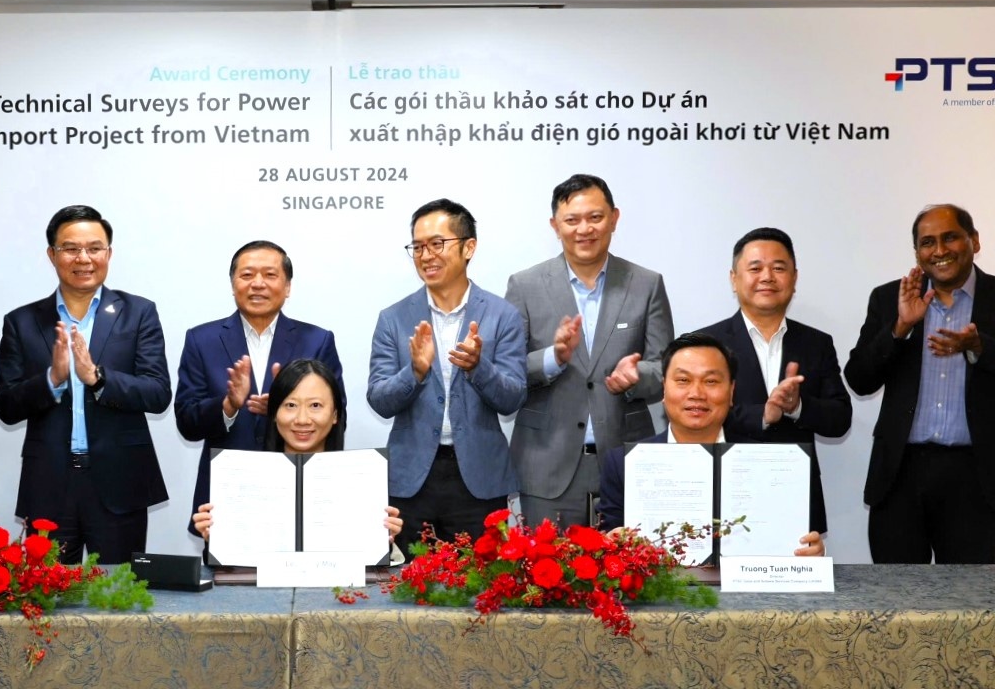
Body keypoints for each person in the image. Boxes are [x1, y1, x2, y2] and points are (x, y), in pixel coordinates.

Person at [844, 204, 995, 564]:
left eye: (950, 238)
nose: (939, 250)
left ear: (974, 241)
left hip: (975, 476)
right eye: (927, 242)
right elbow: (858, 379)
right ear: (917, 252)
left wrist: (981, 347)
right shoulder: (890, 299)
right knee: (897, 592)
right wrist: (900, 328)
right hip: (900, 473)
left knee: (967, 595)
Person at [0, 204, 170, 564]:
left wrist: (98, 377)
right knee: (48, 594)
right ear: (52, 255)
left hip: (120, 482)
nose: (84, 258)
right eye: (71, 248)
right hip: (49, 484)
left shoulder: (138, 313)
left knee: (120, 593)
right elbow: (7, 407)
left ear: (109, 253)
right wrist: (52, 380)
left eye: (94, 248)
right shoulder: (22, 321)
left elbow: (157, 393)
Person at [505, 173, 673, 528]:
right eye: (572, 220)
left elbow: (665, 370)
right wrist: (553, 358)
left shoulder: (646, 284)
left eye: (595, 217)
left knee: (631, 563)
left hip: (626, 459)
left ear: (614, 218)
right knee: (546, 564)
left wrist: (637, 376)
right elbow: (507, 371)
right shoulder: (525, 285)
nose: (584, 229)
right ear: (555, 226)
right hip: (546, 464)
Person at [367, 198, 526, 552]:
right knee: (407, 580)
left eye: (437, 244)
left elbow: (513, 399)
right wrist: (415, 371)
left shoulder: (502, 315)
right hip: (411, 481)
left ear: (469, 247)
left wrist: (478, 367)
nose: (426, 256)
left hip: (479, 480)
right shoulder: (393, 318)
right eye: (418, 247)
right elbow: (378, 400)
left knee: (481, 581)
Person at [597, 332, 823, 556]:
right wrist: (609, 545)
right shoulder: (624, 463)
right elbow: (608, 544)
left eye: (711, 381)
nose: (696, 393)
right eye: (683, 380)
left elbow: (793, 541)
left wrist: (811, 553)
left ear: (731, 391)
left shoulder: (770, 464)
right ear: (664, 388)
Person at [174, 240, 341, 538]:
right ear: (233, 284)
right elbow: (187, 422)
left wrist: (282, 408)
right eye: (247, 275)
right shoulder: (202, 339)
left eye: (270, 275)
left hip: (301, 490)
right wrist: (228, 406)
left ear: (287, 287)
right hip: (227, 499)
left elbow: (336, 416)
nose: (258, 284)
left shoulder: (317, 340)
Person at [695, 227, 851, 536]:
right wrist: (763, 414)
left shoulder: (816, 343)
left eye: (778, 268)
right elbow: (696, 414)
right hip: (725, 492)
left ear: (794, 278)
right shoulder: (705, 344)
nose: (767, 277)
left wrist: (798, 407)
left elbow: (840, 418)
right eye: (755, 268)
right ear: (734, 279)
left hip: (795, 495)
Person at [190, 358, 401, 547]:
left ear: (335, 415)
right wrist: (217, 538)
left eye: (315, 405)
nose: (302, 419)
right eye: (290, 405)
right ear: (274, 413)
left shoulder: (361, 484)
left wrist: (381, 540)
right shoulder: (240, 482)